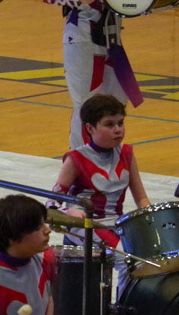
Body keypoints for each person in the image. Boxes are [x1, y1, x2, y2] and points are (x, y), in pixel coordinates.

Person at [43, 0, 142, 148]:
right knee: (86, 103)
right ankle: (79, 157)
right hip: (82, 37)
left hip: (108, 36)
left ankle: (107, 150)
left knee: (117, 97)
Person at [51, 93, 150, 250]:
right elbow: (51, 204)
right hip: (84, 224)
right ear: (90, 128)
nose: (118, 130)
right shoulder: (76, 159)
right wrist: (69, 212)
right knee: (124, 256)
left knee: (148, 251)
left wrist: (152, 223)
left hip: (116, 223)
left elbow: (142, 198)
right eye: (109, 124)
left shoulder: (127, 153)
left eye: (120, 123)